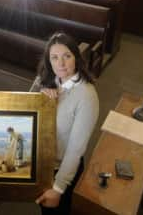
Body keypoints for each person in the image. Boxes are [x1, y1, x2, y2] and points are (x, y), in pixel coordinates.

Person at [32, 32, 99, 215]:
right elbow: (26, 113)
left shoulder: (86, 95)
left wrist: (58, 188)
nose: (60, 64)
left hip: (61, 170)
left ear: (76, 58)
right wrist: (41, 96)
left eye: (66, 56)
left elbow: (76, 149)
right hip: (42, 163)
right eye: (54, 58)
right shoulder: (45, 79)